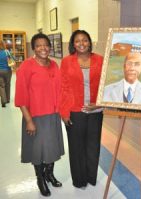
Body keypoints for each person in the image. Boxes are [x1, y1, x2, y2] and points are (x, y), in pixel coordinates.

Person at [15, 33, 64, 197]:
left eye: (46, 45)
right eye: (38, 45)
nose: (43, 48)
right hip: (35, 116)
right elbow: (21, 97)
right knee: (37, 150)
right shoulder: (26, 67)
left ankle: (49, 174)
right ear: (33, 48)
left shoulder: (54, 65)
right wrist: (29, 120)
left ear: (50, 47)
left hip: (53, 115)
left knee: (52, 147)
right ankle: (40, 178)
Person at [59, 30, 103, 188]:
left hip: (95, 111)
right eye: (77, 41)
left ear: (89, 42)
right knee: (76, 147)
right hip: (74, 111)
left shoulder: (100, 60)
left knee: (93, 146)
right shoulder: (66, 62)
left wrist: (99, 104)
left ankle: (91, 177)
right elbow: (62, 88)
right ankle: (79, 180)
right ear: (73, 44)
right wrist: (63, 113)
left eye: (85, 40)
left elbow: (107, 85)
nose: (81, 43)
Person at [0, 40, 13, 107]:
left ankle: (3, 101)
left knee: (1, 86)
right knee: (8, 84)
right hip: (7, 70)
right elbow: (12, 59)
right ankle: (7, 99)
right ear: (3, 44)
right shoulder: (7, 52)